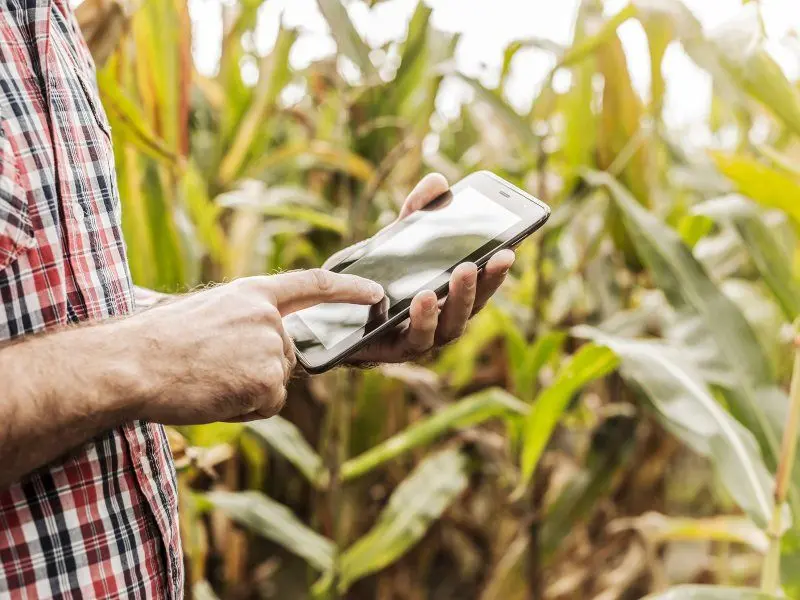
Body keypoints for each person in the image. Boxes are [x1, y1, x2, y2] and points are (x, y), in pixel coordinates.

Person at [0, 1, 516, 598]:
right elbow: (123, 355)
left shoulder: (47, 20)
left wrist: (299, 320)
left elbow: (58, 313)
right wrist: (145, 358)